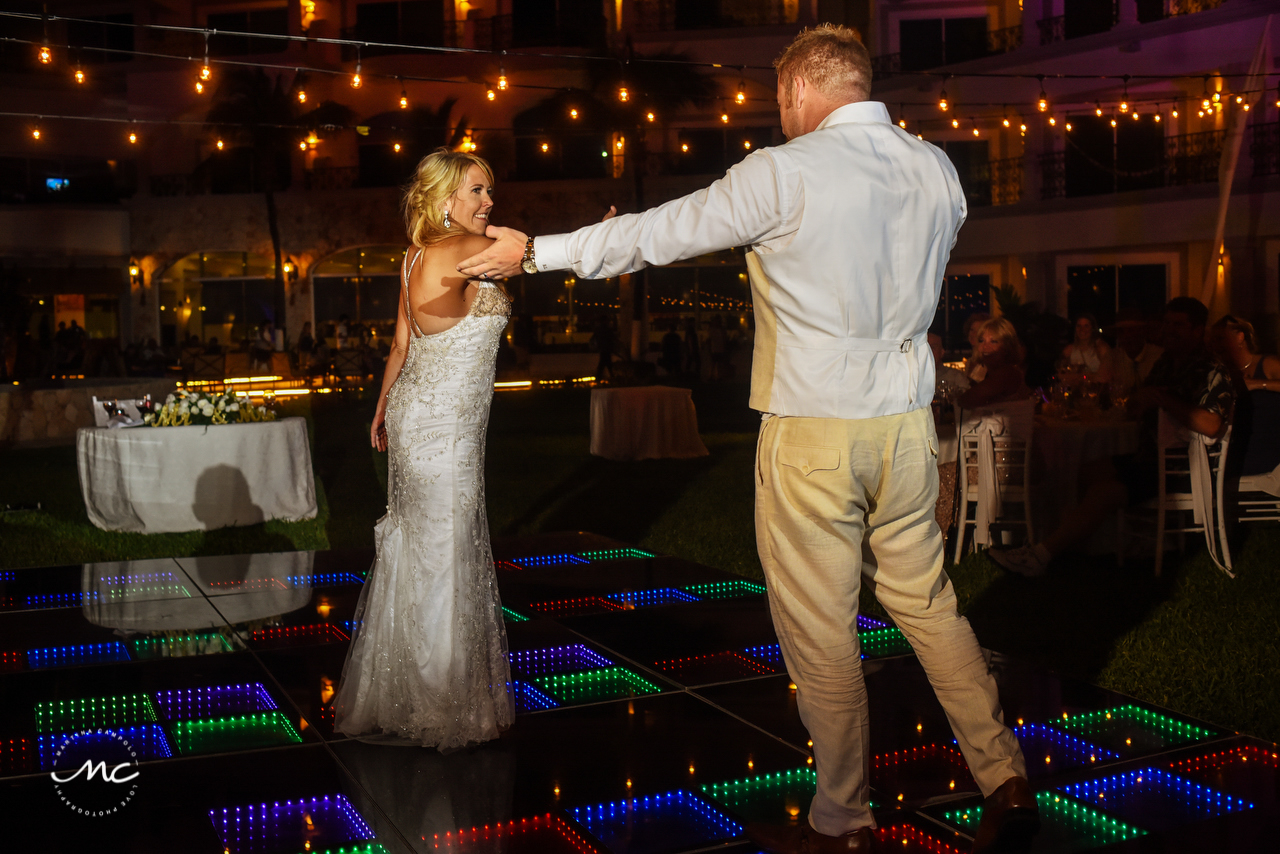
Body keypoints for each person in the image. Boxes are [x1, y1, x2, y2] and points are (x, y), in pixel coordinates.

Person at [457, 25, 1035, 854]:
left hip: (814, 428)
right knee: (930, 606)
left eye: (779, 101)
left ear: (801, 91)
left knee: (823, 631)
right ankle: (1005, 776)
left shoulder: (784, 171)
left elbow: (661, 232)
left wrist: (537, 252)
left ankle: (843, 819)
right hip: (908, 427)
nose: (780, 115)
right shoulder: (936, 167)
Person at [332, 147, 515, 750]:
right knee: (446, 548)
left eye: (489, 191)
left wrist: (383, 408)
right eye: (476, 192)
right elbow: (524, 251)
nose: (488, 202)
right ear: (443, 201)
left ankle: (407, 688)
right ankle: (440, 703)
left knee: (421, 546)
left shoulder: (413, 255)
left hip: (420, 416)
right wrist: (604, 234)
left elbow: (399, 345)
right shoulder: (462, 250)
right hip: (445, 430)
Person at [990, 297, 1235, 577]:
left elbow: (1213, 424)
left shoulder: (1211, 369)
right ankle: (1089, 547)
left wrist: (1164, 400)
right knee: (1085, 470)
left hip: (1180, 466)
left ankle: (1039, 556)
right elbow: (1136, 402)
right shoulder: (1168, 362)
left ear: (1198, 330)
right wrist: (1141, 399)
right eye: (1166, 323)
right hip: (1148, 457)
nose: (1169, 330)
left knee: (1104, 491)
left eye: (1178, 325)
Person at [1210, 314, 1280, 478]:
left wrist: (1257, 384)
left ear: (1240, 337)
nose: (1216, 346)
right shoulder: (1221, 372)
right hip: (1238, 449)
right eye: (1214, 341)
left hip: (1270, 449)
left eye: (1221, 339)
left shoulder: (1267, 364)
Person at [958, 317, 1030, 409]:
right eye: (981, 340)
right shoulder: (989, 372)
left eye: (993, 341)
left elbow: (966, 400)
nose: (985, 346)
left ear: (1007, 347)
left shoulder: (1006, 373)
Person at [1060, 313, 1112, 383]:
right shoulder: (1069, 350)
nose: (1082, 329)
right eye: (1079, 326)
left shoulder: (1101, 348)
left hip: (1096, 390)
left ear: (1092, 328)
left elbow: (1105, 376)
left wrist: (1077, 376)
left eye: (1086, 326)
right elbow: (1061, 374)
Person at [962, 311, 992, 381]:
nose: (973, 334)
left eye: (979, 330)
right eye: (972, 330)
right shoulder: (969, 361)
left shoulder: (988, 362)